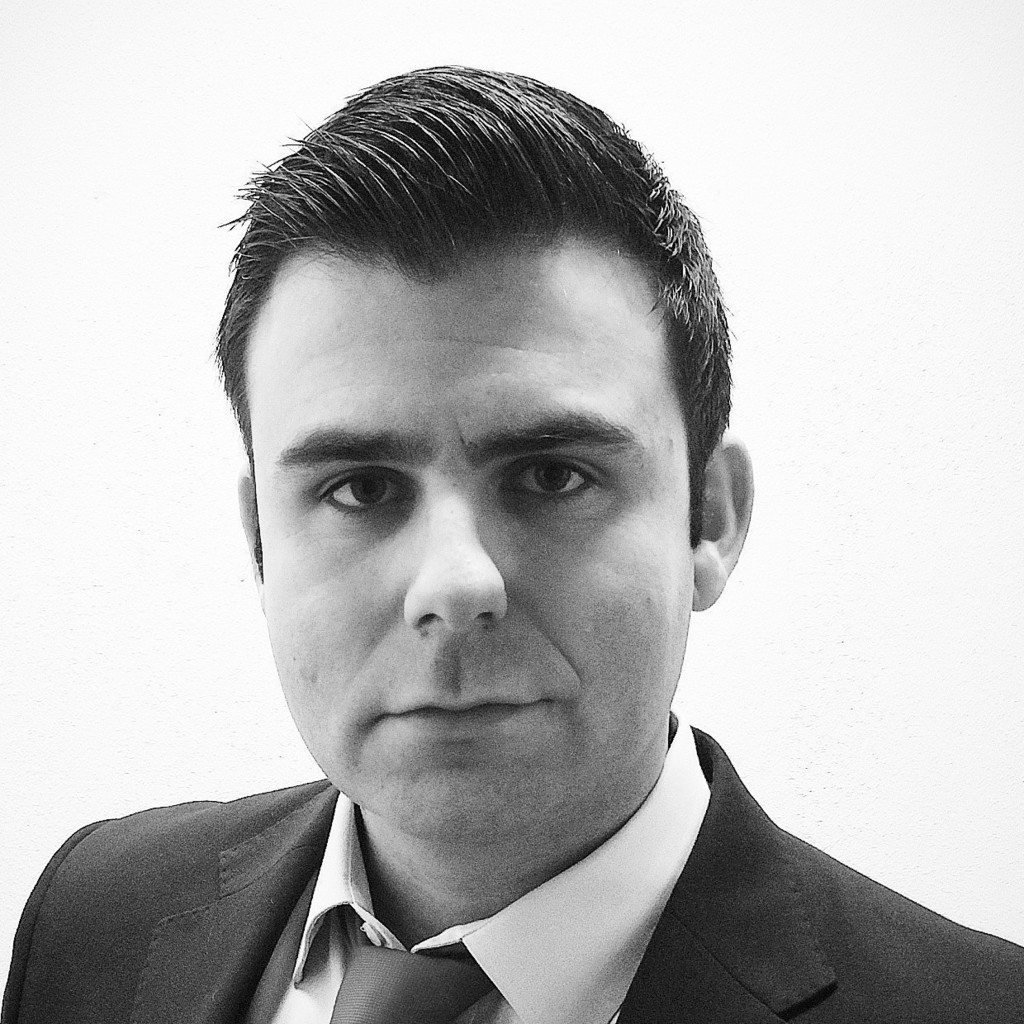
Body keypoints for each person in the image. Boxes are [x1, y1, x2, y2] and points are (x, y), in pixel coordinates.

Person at [3, 66, 1022, 1024]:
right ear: (260, 539)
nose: (454, 582)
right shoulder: (94, 919)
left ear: (709, 518)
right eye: (359, 489)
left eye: (551, 476)